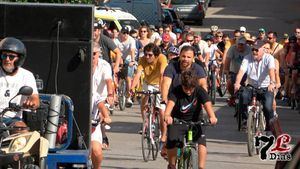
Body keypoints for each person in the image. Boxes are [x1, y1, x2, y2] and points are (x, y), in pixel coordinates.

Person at [164, 69, 217, 169]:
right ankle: (171, 165)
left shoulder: (199, 90)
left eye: (191, 88)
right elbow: (170, 105)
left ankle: (201, 167)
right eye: (186, 88)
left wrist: (212, 116)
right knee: (172, 140)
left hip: (196, 122)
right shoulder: (176, 91)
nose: (188, 91)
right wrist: (167, 116)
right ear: (182, 84)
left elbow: (207, 104)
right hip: (178, 121)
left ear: (195, 85)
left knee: (201, 142)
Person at [234, 42, 276, 133]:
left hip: (266, 87)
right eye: (253, 49)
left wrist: (272, 83)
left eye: (256, 50)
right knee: (243, 97)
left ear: (263, 50)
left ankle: (270, 125)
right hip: (251, 86)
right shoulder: (247, 58)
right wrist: (237, 83)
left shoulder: (269, 58)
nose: (254, 52)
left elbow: (271, 71)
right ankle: (245, 121)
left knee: (268, 107)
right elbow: (241, 72)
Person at [0, 37, 40, 132]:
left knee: (22, 129)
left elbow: (35, 98)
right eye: (4, 56)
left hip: (12, 119)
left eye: (11, 57)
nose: (7, 59)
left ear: (19, 59)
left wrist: (32, 103)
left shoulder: (26, 75)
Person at [91, 42, 112, 169]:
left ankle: (102, 136)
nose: (92, 56)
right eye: (91, 53)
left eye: (94, 54)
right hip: (86, 95)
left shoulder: (104, 65)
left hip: (101, 98)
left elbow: (109, 81)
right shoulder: (83, 65)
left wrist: (110, 95)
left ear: (99, 54)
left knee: (101, 115)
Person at [224, 36, 251, 106]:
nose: (240, 46)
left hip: (246, 72)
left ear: (245, 44)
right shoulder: (232, 48)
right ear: (236, 44)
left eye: (242, 44)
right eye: (239, 44)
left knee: (248, 85)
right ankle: (233, 96)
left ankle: (247, 98)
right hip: (234, 71)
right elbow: (227, 60)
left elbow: (252, 62)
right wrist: (226, 71)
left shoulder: (249, 49)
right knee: (229, 83)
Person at [117, 26, 137, 107]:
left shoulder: (131, 40)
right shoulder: (116, 40)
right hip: (119, 58)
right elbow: (115, 51)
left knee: (128, 78)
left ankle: (128, 97)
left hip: (129, 59)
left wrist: (132, 60)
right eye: (124, 33)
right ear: (120, 33)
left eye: (127, 33)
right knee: (117, 75)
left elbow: (132, 50)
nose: (125, 35)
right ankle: (116, 93)